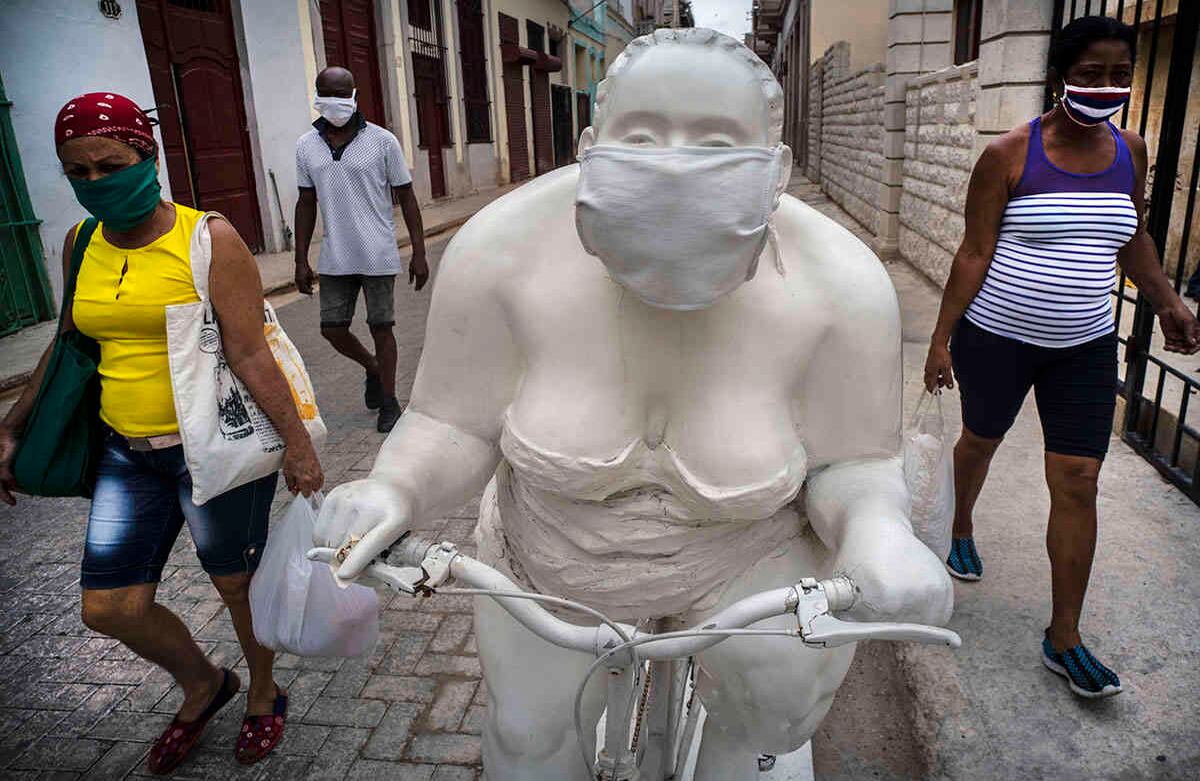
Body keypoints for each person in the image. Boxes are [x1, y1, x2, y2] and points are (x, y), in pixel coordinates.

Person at [312, 29, 952, 781]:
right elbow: (452, 418)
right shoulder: (501, 252)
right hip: (551, 552)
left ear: (776, 169)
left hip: (748, 554)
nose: (674, 168)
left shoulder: (842, 287)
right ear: (590, 146)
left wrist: (878, 531)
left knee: (767, 728)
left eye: (717, 143)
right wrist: (394, 487)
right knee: (526, 738)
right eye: (642, 137)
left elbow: (854, 460)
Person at [0, 92, 324, 772]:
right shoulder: (80, 241)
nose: (95, 183)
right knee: (108, 606)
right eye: (76, 173)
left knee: (237, 584)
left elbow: (251, 351)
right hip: (126, 451)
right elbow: (67, 341)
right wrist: (12, 427)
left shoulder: (209, 238)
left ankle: (264, 691)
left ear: (147, 157)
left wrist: (298, 446)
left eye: (109, 165)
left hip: (213, 449)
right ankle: (206, 682)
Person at [923, 15, 1200, 699]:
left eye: (1118, 75)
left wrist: (1165, 297)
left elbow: (1130, 235)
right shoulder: (1010, 154)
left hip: (1084, 344)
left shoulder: (1130, 150)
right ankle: (960, 522)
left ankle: (1064, 635)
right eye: (1091, 73)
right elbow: (973, 252)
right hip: (997, 338)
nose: (1106, 87)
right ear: (1060, 76)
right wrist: (939, 337)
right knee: (980, 440)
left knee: (1078, 477)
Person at [294, 66, 429, 433]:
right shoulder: (306, 146)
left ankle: (389, 401)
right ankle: (372, 367)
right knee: (332, 328)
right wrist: (300, 259)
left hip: (378, 252)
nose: (335, 103)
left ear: (354, 96)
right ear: (318, 96)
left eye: (342, 94)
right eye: (328, 94)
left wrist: (419, 251)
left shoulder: (383, 141)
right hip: (336, 254)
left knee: (381, 326)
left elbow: (407, 197)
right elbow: (306, 203)